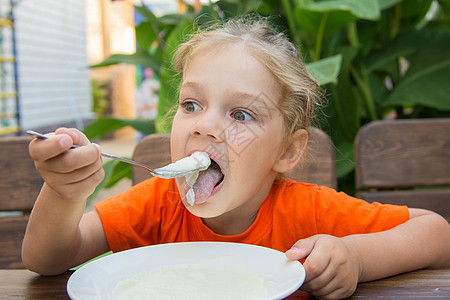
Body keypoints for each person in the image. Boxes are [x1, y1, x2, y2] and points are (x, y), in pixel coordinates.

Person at [23, 17, 450, 299]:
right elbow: (49, 259)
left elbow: (436, 233)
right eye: (191, 104)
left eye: (240, 114)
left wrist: (356, 257)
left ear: (287, 150)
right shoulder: (154, 205)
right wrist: (63, 193)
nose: (205, 126)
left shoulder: (309, 211)